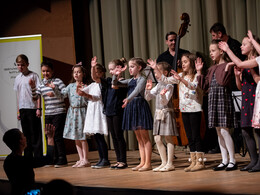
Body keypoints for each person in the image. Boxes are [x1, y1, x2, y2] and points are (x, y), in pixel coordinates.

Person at [148, 54, 205, 172]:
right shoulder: (180, 75)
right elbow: (165, 79)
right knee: (189, 136)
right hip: (184, 109)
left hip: (195, 109)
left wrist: (181, 80)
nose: (183, 64)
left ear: (192, 63)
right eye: (182, 62)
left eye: (185, 62)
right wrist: (155, 68)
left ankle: (199, 162)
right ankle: (193, 161)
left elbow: (194, 86)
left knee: (196, 135)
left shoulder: (196, 76)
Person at [219, 31, 260, 172]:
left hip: (256, 98)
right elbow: (240, 86)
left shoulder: (256, 61)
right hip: (246, 98)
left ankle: (259, 162)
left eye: (244, 44)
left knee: (258, 130)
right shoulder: (247, 62)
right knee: (245, 130)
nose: (241, 47)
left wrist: (227, 49)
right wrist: (237, 76)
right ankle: (253, 160)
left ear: (253, 46)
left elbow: (257, 81)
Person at [196, 39, 238, 171]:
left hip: (223, 99)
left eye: (213, 51)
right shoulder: (211, 68)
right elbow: (204, 86)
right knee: (218, 131)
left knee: (225, 131)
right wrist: (199, 72)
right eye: (210, 51)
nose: (211, 53)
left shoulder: (227, 65)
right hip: (213, 100)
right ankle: (224, 159)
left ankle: (232, 160)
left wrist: (226, 67)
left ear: (221, 51)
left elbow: (224, 81)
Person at [112, 57, 153, 172]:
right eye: (129, 67)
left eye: (132, 66)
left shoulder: (142, 79)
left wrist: (128, 99)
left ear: (139, 68)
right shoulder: (130, 80)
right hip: (132, 107)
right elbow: (115, 84)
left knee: (145, 136)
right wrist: (116, 74)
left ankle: (148, 163)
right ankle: (142, 162)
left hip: (139, 105)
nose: (130, 69)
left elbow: (137, 90)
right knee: (139, 138)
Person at [30, 61, 67, 168]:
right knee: (48, 135)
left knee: (57, 136)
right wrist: (33, 87)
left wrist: (54, 90)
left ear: (52, 71)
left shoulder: (58, 81)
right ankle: (51, 158)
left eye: (47, 71)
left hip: (59, 112)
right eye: (43, 71)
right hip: (49, 113)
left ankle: (61, 158)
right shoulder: (41, 84)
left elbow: (65, 95)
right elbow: (35, 97)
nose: (45, 73)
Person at [3, 124, 56, 195]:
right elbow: (48, 158)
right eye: (23, 136)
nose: (25, 138)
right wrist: (50, 138)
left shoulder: (7, 161)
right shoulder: (23, 161)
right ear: (20, 141)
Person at [145, 61, 178, 172]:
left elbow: (165, 102)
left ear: (164, 72)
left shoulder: (169, 85)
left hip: (166, 113)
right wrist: (148, 89)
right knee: (157, 138)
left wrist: (163, 96)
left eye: (156, 71)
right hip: (158, 113)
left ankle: (170, 163)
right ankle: (163, 162)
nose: (155, 74)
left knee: (168, 138)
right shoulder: (158, 85)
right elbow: (148, 97)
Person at [78, 57, 110, 168]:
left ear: (101, 73)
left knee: (100, 136)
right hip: (92, 112)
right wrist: (80, 90)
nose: (94, 74)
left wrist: (86, 95)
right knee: (96, 137)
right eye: (94, 72)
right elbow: (81, 91)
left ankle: (105, 159)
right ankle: (101, 158)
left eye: (97, 72)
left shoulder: (103, 84)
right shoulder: (93, 85)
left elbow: (96, 97)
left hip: (98, 112)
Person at [13, 54, 43, 164]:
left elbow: (38, 93)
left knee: (35, 134)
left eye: (23, 65)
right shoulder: (17, 78)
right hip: (23, 108)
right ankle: (28, 158)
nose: (20, 67)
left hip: (32, 108)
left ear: (27, 64)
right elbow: (18, 95)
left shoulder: (33, 76)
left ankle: (38, 158)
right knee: (26, 135)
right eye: (18, 65)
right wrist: (18, 110)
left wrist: (38, 108)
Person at [61, 63, 90, 168]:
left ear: (83, 74)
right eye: (75, 72)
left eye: (78, 72)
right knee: (75, 137)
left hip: (82, 112)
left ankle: (86, 159)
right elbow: (62, 95)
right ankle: (81, 158)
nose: (76, 74)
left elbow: (88, 100)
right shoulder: (70, 86)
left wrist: (84, 93)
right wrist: (54, 89)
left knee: (82, 137)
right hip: (72, 113)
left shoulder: (86, 86)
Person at [102, 58, 128, 169]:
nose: (111, 72)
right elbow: (96, 78)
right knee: (113, 136)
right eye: (110, 70)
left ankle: (123, 161)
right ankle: (118, 160)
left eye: (112, 69)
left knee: (118, 135)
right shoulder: (108, 80)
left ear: (119, 69)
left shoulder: (123, 81)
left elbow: (115, 84)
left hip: (117, 111)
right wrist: (93, 67)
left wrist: (117, 75)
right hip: (109, 111)